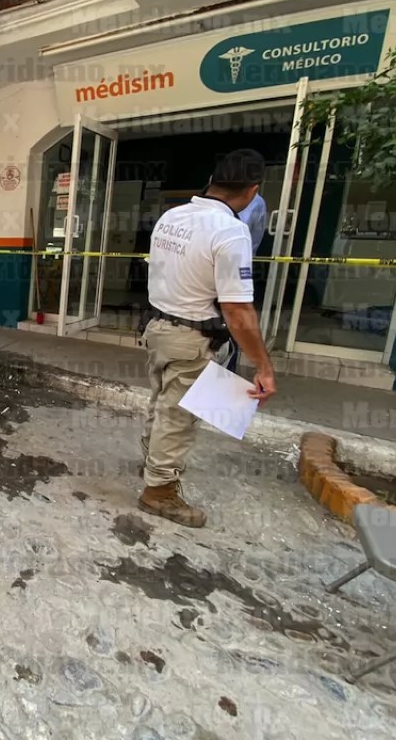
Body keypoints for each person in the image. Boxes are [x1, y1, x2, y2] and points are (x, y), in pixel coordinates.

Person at [138, 149, 278, 528]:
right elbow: (238, 311)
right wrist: (263, 366)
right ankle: (159, 490)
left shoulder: (173, 216)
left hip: (158, 328)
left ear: (213, 181)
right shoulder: (231, 232)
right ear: (252, 191)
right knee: (178, 415)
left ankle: (151, 463)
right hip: (191, 336)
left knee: (162, 401)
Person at [226, 191, 267, 373]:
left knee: (231, 324)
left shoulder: (255, 202)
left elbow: (253, 242)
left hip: (232, 269)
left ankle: (225, 374)